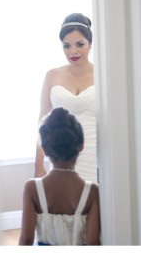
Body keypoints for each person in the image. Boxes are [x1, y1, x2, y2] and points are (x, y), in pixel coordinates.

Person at [20, 107, 100, 245]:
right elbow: (93, 242)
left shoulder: (32, 188)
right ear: (81, 145)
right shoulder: (92, 192)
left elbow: (26, 239)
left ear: (44, 149)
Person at [34, 13, 97, 183]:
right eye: (66, 46)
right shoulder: (52, 76)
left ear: (90, 44)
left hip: (97, 155)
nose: (73, 51)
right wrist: (39, 164)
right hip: (61, 155)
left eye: (80, 44)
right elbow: (43, 120)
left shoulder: (103, 74)